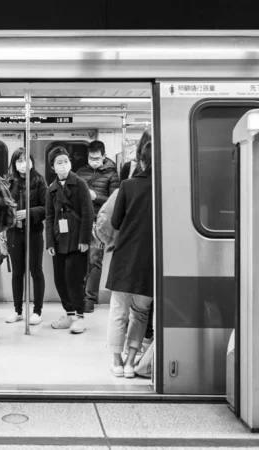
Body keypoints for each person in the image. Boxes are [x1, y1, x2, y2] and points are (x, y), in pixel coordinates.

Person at [106, 141, 153, 379]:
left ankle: (116, 361)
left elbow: (115, 222)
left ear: (140, 160)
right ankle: (131, 362)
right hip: (151, 260)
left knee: (118, 311)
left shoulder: (128, 185)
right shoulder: (166, 188)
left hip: (125, 256)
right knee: (140, 313)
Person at [45, 147, 94, 334]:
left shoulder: (80, 183)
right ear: (52, 167)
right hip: (59, 240)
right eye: (59, 162)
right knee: (60, 279)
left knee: (74, 279)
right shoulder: (52, 188)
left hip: (76, 240)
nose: (64, 165)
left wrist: (84, 239)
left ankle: (80, 316)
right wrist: (49, 242)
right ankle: (70, 313)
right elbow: (50, 217)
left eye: (66, 161)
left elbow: (88, 213)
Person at [76, 140, 119, 313]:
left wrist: (96, 198)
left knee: (95, 260)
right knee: (80, 260)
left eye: (97, 158)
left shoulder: (112, 175)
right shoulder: (81, 172)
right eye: (91, 157)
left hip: (99, 223)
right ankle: (78, 294)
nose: (94, 160)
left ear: (104, 156)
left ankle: (90, 298)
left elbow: (114, 201)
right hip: (81, 221)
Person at [4, 148, 47, 325]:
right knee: (17, 273)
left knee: (36, 271)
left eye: (26, 160)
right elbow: (2, 205)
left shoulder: (39, 181)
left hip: (34, 232)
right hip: (14, 233)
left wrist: (28, 212)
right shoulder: (8, 182)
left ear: (31, 161)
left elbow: (46, 208)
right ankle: (18, 310)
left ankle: (37, 310)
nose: (23, 164)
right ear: (14, 164)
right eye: (19, 161)